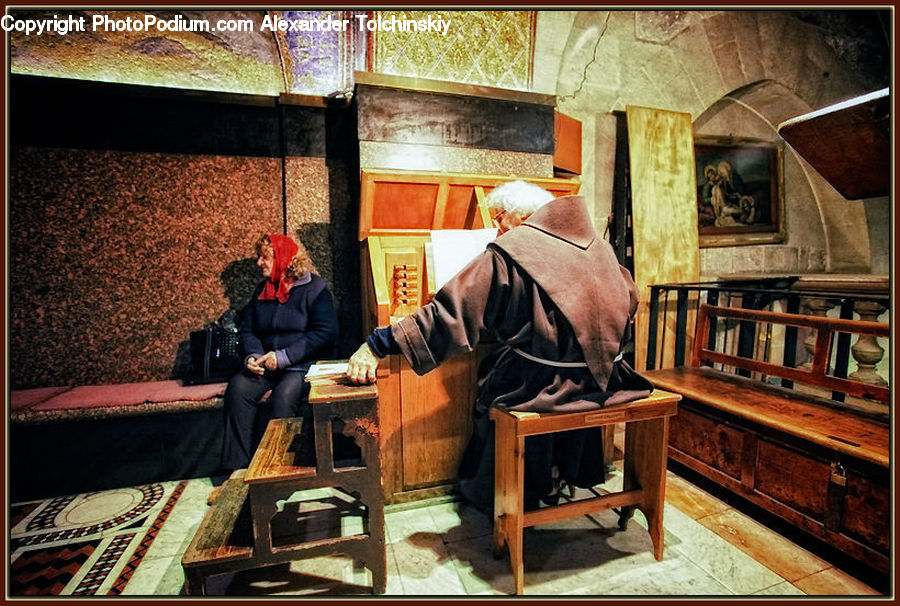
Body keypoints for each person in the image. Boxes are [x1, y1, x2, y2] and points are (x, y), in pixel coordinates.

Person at [346, 180, 652, 511]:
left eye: (498, 218)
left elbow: (449, 313)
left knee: (493, 385)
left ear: (518, 217)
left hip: (548, 389)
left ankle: (513, 494)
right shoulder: (599, 247)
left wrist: (377, 343)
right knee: (503, 360)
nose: (496, 229)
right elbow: (629, 299)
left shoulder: (512, 250)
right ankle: (559, 474)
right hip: (608, 380)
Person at [220, 233, 338, 471]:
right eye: (259, 257)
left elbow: (326, 331)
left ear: (284, 258)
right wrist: (252, 356)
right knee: (238, 388)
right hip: (267, 362)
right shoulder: (263, 290)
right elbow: (249, 330)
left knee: (283, 397)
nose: (259, 263)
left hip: (301, 363)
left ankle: (279, 469)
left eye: (264, 257)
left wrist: (283, 357)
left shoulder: (314, 288)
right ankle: (237, 470)